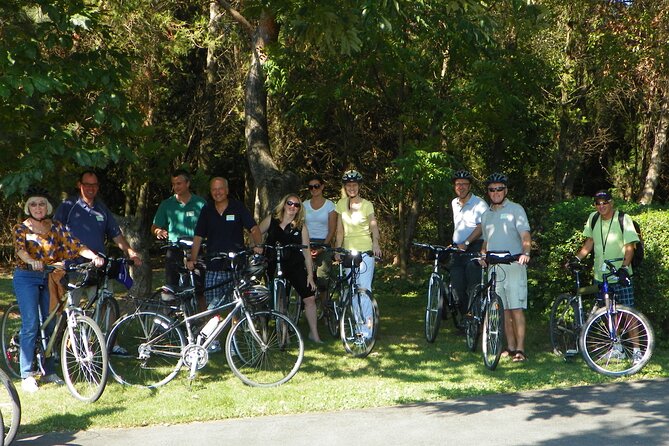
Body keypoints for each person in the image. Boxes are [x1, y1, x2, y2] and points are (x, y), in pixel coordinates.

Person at [13, 186, 105, 393]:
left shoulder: (56, 227)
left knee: (51, 322)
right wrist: (32, 261)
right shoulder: (22, 228)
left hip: (51, 277)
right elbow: (20, 250)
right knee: (31, 323)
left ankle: (49, 370)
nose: (38, 207)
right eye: (34, 204)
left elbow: (76, 245)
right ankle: (27, 374)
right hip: (27, 276)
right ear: (28, 207)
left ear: (48, 207)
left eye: (42, 204)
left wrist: (94, 257)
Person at [186, 177, 262, 352]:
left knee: (236, 305)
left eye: (220, 189)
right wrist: (193, 259)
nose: (217, 192)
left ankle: (233, 342)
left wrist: (259, 246)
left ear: (227, 190)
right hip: (213, 265)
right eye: (214, 189)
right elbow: (198, 237)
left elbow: (254, 228)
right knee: (213, 306)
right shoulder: (207, 209)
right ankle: (213, 340)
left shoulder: (237, 207)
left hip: (236, 266)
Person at [573, 190, 641, 363]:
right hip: (600, 275)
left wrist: (625, 267)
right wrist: (576, 259)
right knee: (609, 313)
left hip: (619, 273)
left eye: (605, 202)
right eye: (598, 203)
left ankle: (636, 351)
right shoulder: (593, 218)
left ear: (612, 203)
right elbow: (589, 242)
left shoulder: (623, 218)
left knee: (628, 313)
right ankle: (617, 348)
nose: (601, 206)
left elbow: (630, 246)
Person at [480, 173, 532, 363]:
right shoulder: (486, 215)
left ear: (506, 190)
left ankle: (520, 349)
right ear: (488, 192)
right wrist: (483, 255)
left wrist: (526, 253)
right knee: (503, 310)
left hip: (513, 265)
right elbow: (486, 240)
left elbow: (525, 235)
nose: (496, 192)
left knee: (516, 308)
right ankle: (509, 348)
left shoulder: (516, 210)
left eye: (499, 189)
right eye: (492, 189)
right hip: (494, 268)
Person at [259, 194, 322, 343]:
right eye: (290, 203)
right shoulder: (271, 220)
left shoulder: (301, 227)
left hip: (294, 265)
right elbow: (256, 233)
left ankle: (314, 334)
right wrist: (257, 247)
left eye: (297, 205)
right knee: (275, 299)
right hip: (273, 264)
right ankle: (272, 333)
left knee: (310, 297)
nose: (292, 207)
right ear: (284, 204)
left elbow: (306, 252)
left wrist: (310, 276)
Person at [53, 170, 142, 266]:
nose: (91, 188)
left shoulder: (102, 209)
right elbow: (54, 232)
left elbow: (116, 235)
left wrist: (131, 252)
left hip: (98, 263)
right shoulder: (68, 205)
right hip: (72, 265)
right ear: (79, 185)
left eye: (95, 185)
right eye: (87, 184)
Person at [151, 169, 206, 288]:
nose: (176, 187)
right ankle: (174, 306)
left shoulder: (201, 203)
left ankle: (200, 307)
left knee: (200, 289)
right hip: (175, 250)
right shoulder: (167, 204)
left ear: (188, 183)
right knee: (172, 289)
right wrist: (158, 231)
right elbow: (154, 226)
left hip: (196, 249)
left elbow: (210, 226)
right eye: (173, 184)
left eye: (179, 183)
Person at [334, 170, 382, 292]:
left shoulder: (367, 205)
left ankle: (366, 312)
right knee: (352, 287)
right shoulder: (340, 204)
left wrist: (376, 245)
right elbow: (340, 230)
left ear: (359, 186)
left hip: (365, 250)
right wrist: (338, 249)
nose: (352, 188)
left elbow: (373, 226)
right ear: (345, 187)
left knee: (364, 287)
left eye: (354, 185)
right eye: (349, 185)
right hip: (348, 250)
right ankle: (356, 312)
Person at [449, 170, 487, 317]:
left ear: (470, 186)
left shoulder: (479, 204)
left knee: (473, 286)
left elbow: (481, 226)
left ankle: (475, 320)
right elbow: (459, 226)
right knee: (457, 286)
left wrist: (466, 242)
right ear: (454, 186)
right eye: (458, 184)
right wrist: (455, 243)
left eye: (464, 184)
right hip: (457, 249)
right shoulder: (454, 203)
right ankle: (466, 319)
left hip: (474, 247)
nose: (461, 187)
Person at [303, 175, 336, 297]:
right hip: (307, 242)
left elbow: (332, 229)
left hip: (324, 241)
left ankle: (325, 308)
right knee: (304, 275)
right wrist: (307, 247)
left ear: (322, 187)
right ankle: (305, 306)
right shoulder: (304, 205)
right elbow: (301, 226)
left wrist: (322, 247)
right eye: (310, 187)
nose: (314, 189)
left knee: (322, 278)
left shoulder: (330, 205)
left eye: (316, 186)